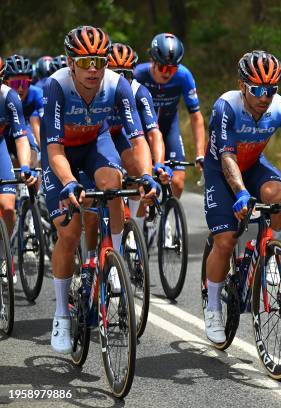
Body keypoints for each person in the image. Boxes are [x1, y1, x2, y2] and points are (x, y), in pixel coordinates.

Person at [42, 25, 157, 354]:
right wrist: (68, 182)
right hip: (62, 152)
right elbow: (53, 150)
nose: (93, 68)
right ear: (71, 62)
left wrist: (147, 175)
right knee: (69, 231)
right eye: (86, 61)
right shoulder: (57, 86)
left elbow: (137, 139)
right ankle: (62, 313)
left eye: (100, 61)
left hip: (95, 143)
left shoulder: (118, 85)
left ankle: (116, 260)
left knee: (112, 185)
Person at [203, 50, 281, 344]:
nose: (264, 96)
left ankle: (267, 251)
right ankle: (212, 308)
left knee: (277, 194)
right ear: (242, 85)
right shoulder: (226, 107)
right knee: (225, 240)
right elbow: (227, 158)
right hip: (222, 169)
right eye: (257, 89)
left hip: (254, 165)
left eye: (271, 89)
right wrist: (242, 194)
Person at [106, 42, 169, 235]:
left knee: (138, 169)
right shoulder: (97, 87)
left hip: (120, 135)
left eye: (127, 74)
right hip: (99, 137)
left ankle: (136, 229)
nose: (122, 79)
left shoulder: (139, 92)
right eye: (116, 74)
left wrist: (158, 164)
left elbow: (153, 133)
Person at [134, 33, 205, 198]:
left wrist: (200, 153)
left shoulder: (183, 76)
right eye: (163, 67)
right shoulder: (139, 74)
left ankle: (164, 219)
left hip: (169, 127)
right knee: (141, 183)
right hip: (143, 131)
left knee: (178, 182)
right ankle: (142, 221)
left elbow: (196, 116)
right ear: (153, 61)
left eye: (172, 68)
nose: (167, 73)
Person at [0, 56, 37, 265]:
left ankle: (4, 255)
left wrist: (24, 167)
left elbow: (21, 136)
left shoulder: (9, 97)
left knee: (7, 207)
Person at [3, 54, 43, 164]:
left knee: (32, 160)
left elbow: (47, 125)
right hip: (2, 133)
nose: (20, 88)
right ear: (5, 82)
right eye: (15, 83)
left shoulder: (37, 93)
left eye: (25, 83)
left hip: (22, 129)